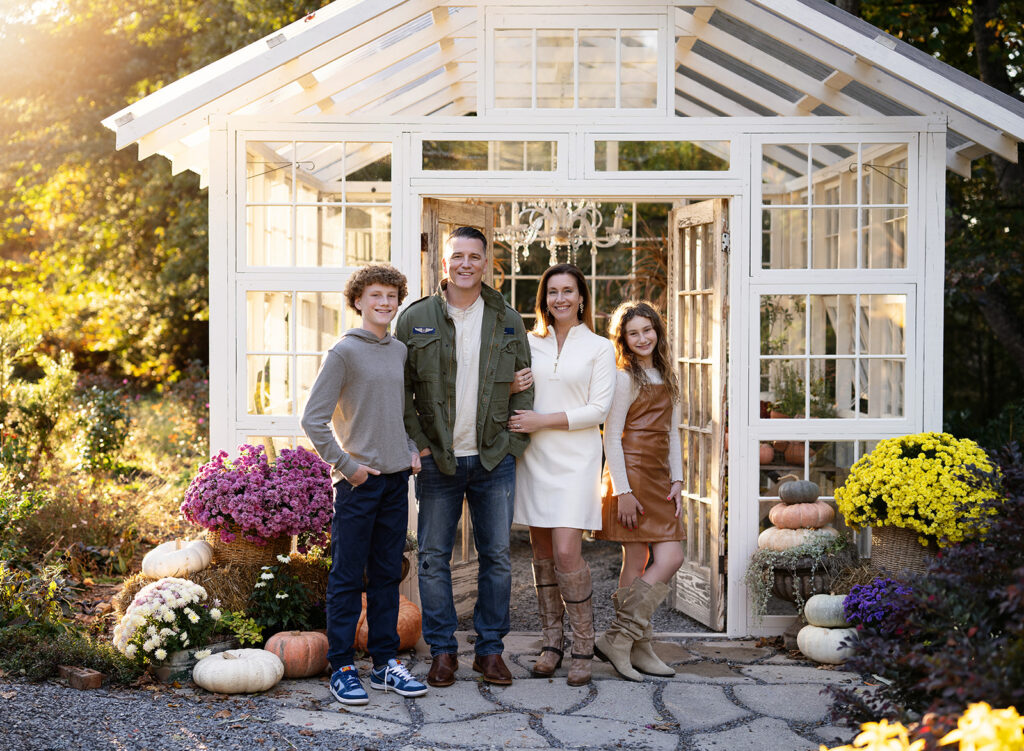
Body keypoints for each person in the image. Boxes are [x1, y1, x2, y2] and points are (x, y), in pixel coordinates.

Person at [395, 226, 533, 688]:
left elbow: (523, 388)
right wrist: (421, 444)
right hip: (439, 460)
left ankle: (490, 652)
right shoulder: (415, 319)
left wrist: (513, 443)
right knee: (434, 557)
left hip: (494, 459)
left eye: (475, 256)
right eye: (458, 256)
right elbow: (402, 394)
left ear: (486, 262)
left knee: (497, 557)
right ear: (444, 263)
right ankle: (444, 651)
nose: (466, 264)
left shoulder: (508, 320)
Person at [301, 263, 428, 706]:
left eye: (392, 296)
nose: (384, 303)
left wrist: (410, 447)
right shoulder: (344, 353)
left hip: (396, 481)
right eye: (375, 295)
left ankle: (384, 665)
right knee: (347, 576)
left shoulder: (398, 351)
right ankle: (341, 667)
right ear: (358, 300)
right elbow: (312, 419)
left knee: (388, 575)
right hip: (358, 484)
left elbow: (398, 410)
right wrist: (345, 465)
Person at [508, 263, 616, 686]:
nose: (560, 299)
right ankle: (552, 642)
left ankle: (583, 645)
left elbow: (598, 410)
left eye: (568, 291)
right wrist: (512, 387)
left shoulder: (599, 347)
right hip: (534, 457)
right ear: (544, 300)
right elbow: (509, 387)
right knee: (541, 552)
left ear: (582, 297)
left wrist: (541, 420)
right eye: (552, 292)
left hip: (576, 460)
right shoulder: (529, 342)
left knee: (568, 551)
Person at [593, 300, 685, 681]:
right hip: (630, 477)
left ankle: (625, 641)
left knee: (670, 555)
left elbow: (673, 433)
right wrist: (623, 491)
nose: (642, 338)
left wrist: (678, 480)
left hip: (659, 477)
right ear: (624, 340)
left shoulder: (668, 375)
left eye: (648, 330)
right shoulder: (624, 377)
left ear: (657, 332)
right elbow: (611, 435)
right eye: (633, 333)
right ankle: (631, 642)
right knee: (637, 560)